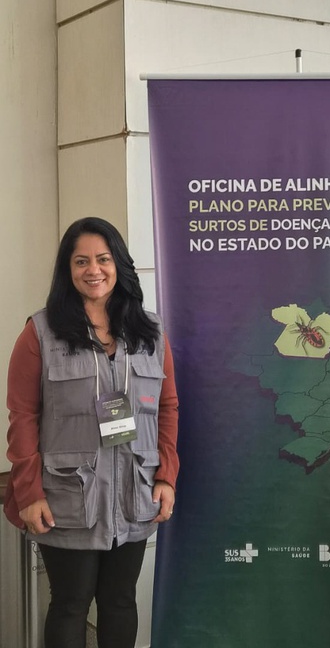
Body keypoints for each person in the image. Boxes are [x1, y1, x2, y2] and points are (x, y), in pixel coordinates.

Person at [4, 217, 179, 648]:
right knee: (70, 603)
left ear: (118, 264)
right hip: (67, 495)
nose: (93, 270)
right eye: (81, 261)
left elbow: (168, 407)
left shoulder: (150, 332)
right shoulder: (40, 333)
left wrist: (166, 476)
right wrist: (28, 492)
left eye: (102, 259)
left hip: (134, 492)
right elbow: (22, 416)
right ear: (68, 270)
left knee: (120, 602)